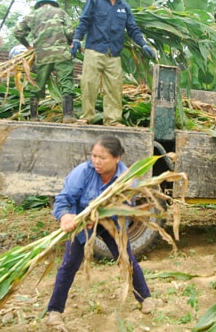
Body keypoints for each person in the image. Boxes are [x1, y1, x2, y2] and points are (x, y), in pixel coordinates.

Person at [45, 135, 158, 327]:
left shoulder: (125, 179)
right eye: (94, 156)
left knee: (126, 259)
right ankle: (54, 311)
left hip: (110, 222)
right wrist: (66, 217)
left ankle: (145, 298)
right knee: (69, 265)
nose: (96, 161)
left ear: (117, 158)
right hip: (80, 222)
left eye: (102, 157)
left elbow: (125, 207)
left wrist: (100, 218)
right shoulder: (82, 172)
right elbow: (64, 199)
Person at [71, 0, 156, 126]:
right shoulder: (95, 0)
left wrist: (143, 43)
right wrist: (77, 39)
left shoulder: (124, 7)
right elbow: (84, 21)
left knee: (115, 89)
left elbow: (133, 29)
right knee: (89, 84)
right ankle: (86, 117)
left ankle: (113, 120)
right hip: (94, 50)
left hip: (114, 54)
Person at [14, 0, 77, 123]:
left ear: (40, 4)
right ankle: (68, 116)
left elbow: (17, 32)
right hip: (61, 53)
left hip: (42, 55)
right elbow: (70, 32)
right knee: (66, 82)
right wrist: (71, 42)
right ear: (53, 3)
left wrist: (28, 46)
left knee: (38, 84)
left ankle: (34, 116)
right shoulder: (61, 12)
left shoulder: (33, 15)